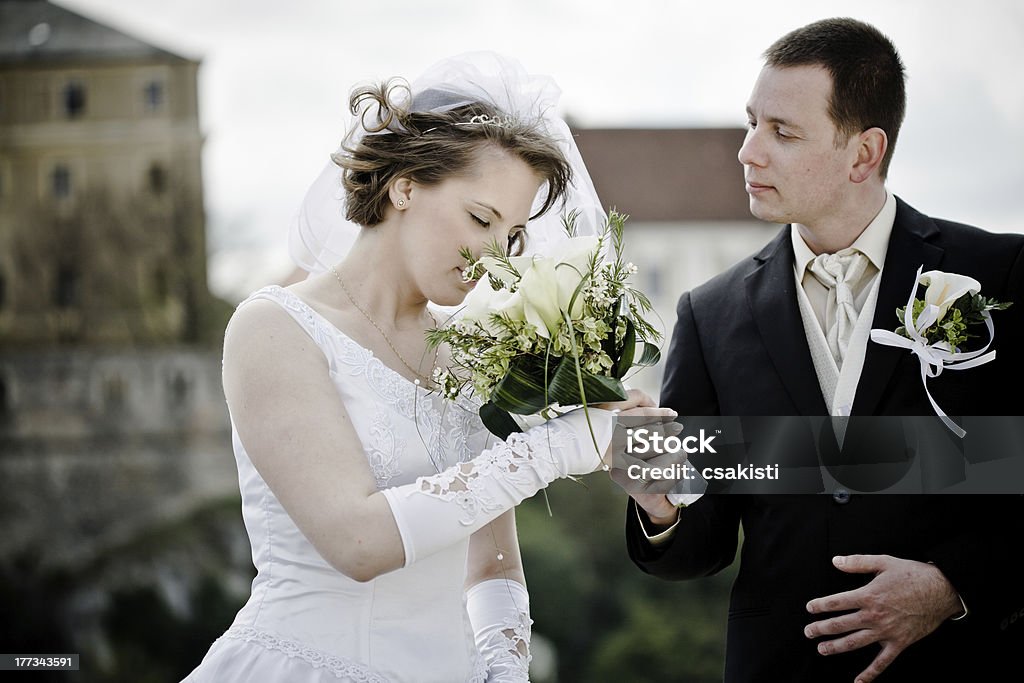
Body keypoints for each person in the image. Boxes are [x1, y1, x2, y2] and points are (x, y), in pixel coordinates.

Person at [183, 52, 667, 683]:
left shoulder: (470, 356)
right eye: (480, 219)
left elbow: (492, 567)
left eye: (513, 236)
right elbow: (357, 543)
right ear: (404, 185)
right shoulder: (272, 328)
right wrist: (558, 448)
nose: (496, 257)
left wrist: (502, 670)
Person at [622, 18, 1024, 683]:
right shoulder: (709, 313)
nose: (748, 152)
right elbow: (701, 546)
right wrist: (657, 505)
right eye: (752, 123)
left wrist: (953, 584)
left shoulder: (999, 274)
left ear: (863, 153)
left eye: (781, 132)